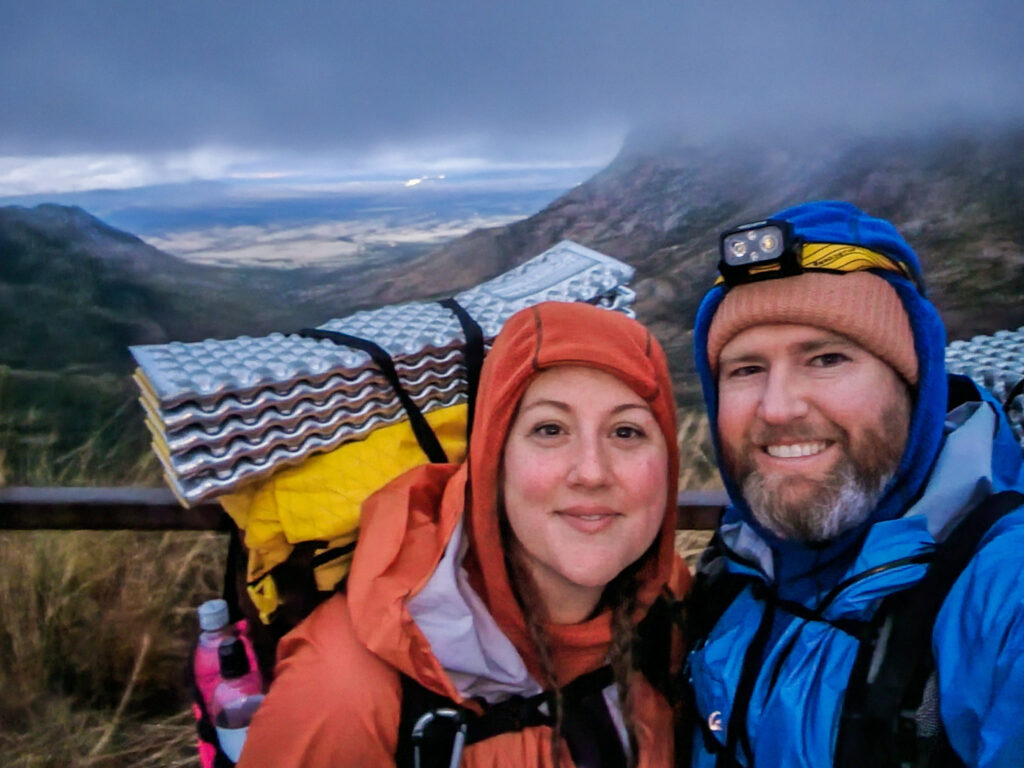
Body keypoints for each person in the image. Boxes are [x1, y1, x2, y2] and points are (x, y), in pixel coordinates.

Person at [238, 301, 691, 768]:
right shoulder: (340, 693)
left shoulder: (666, 605)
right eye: (550, 429)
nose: (592, 472)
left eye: (627, 431)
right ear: (493, 461)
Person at [683, 200, 1024, 768]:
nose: (778, 407)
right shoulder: (733, 569)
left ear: (915, 387)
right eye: (745, 369)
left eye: (826, 358)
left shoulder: (1001, 594)